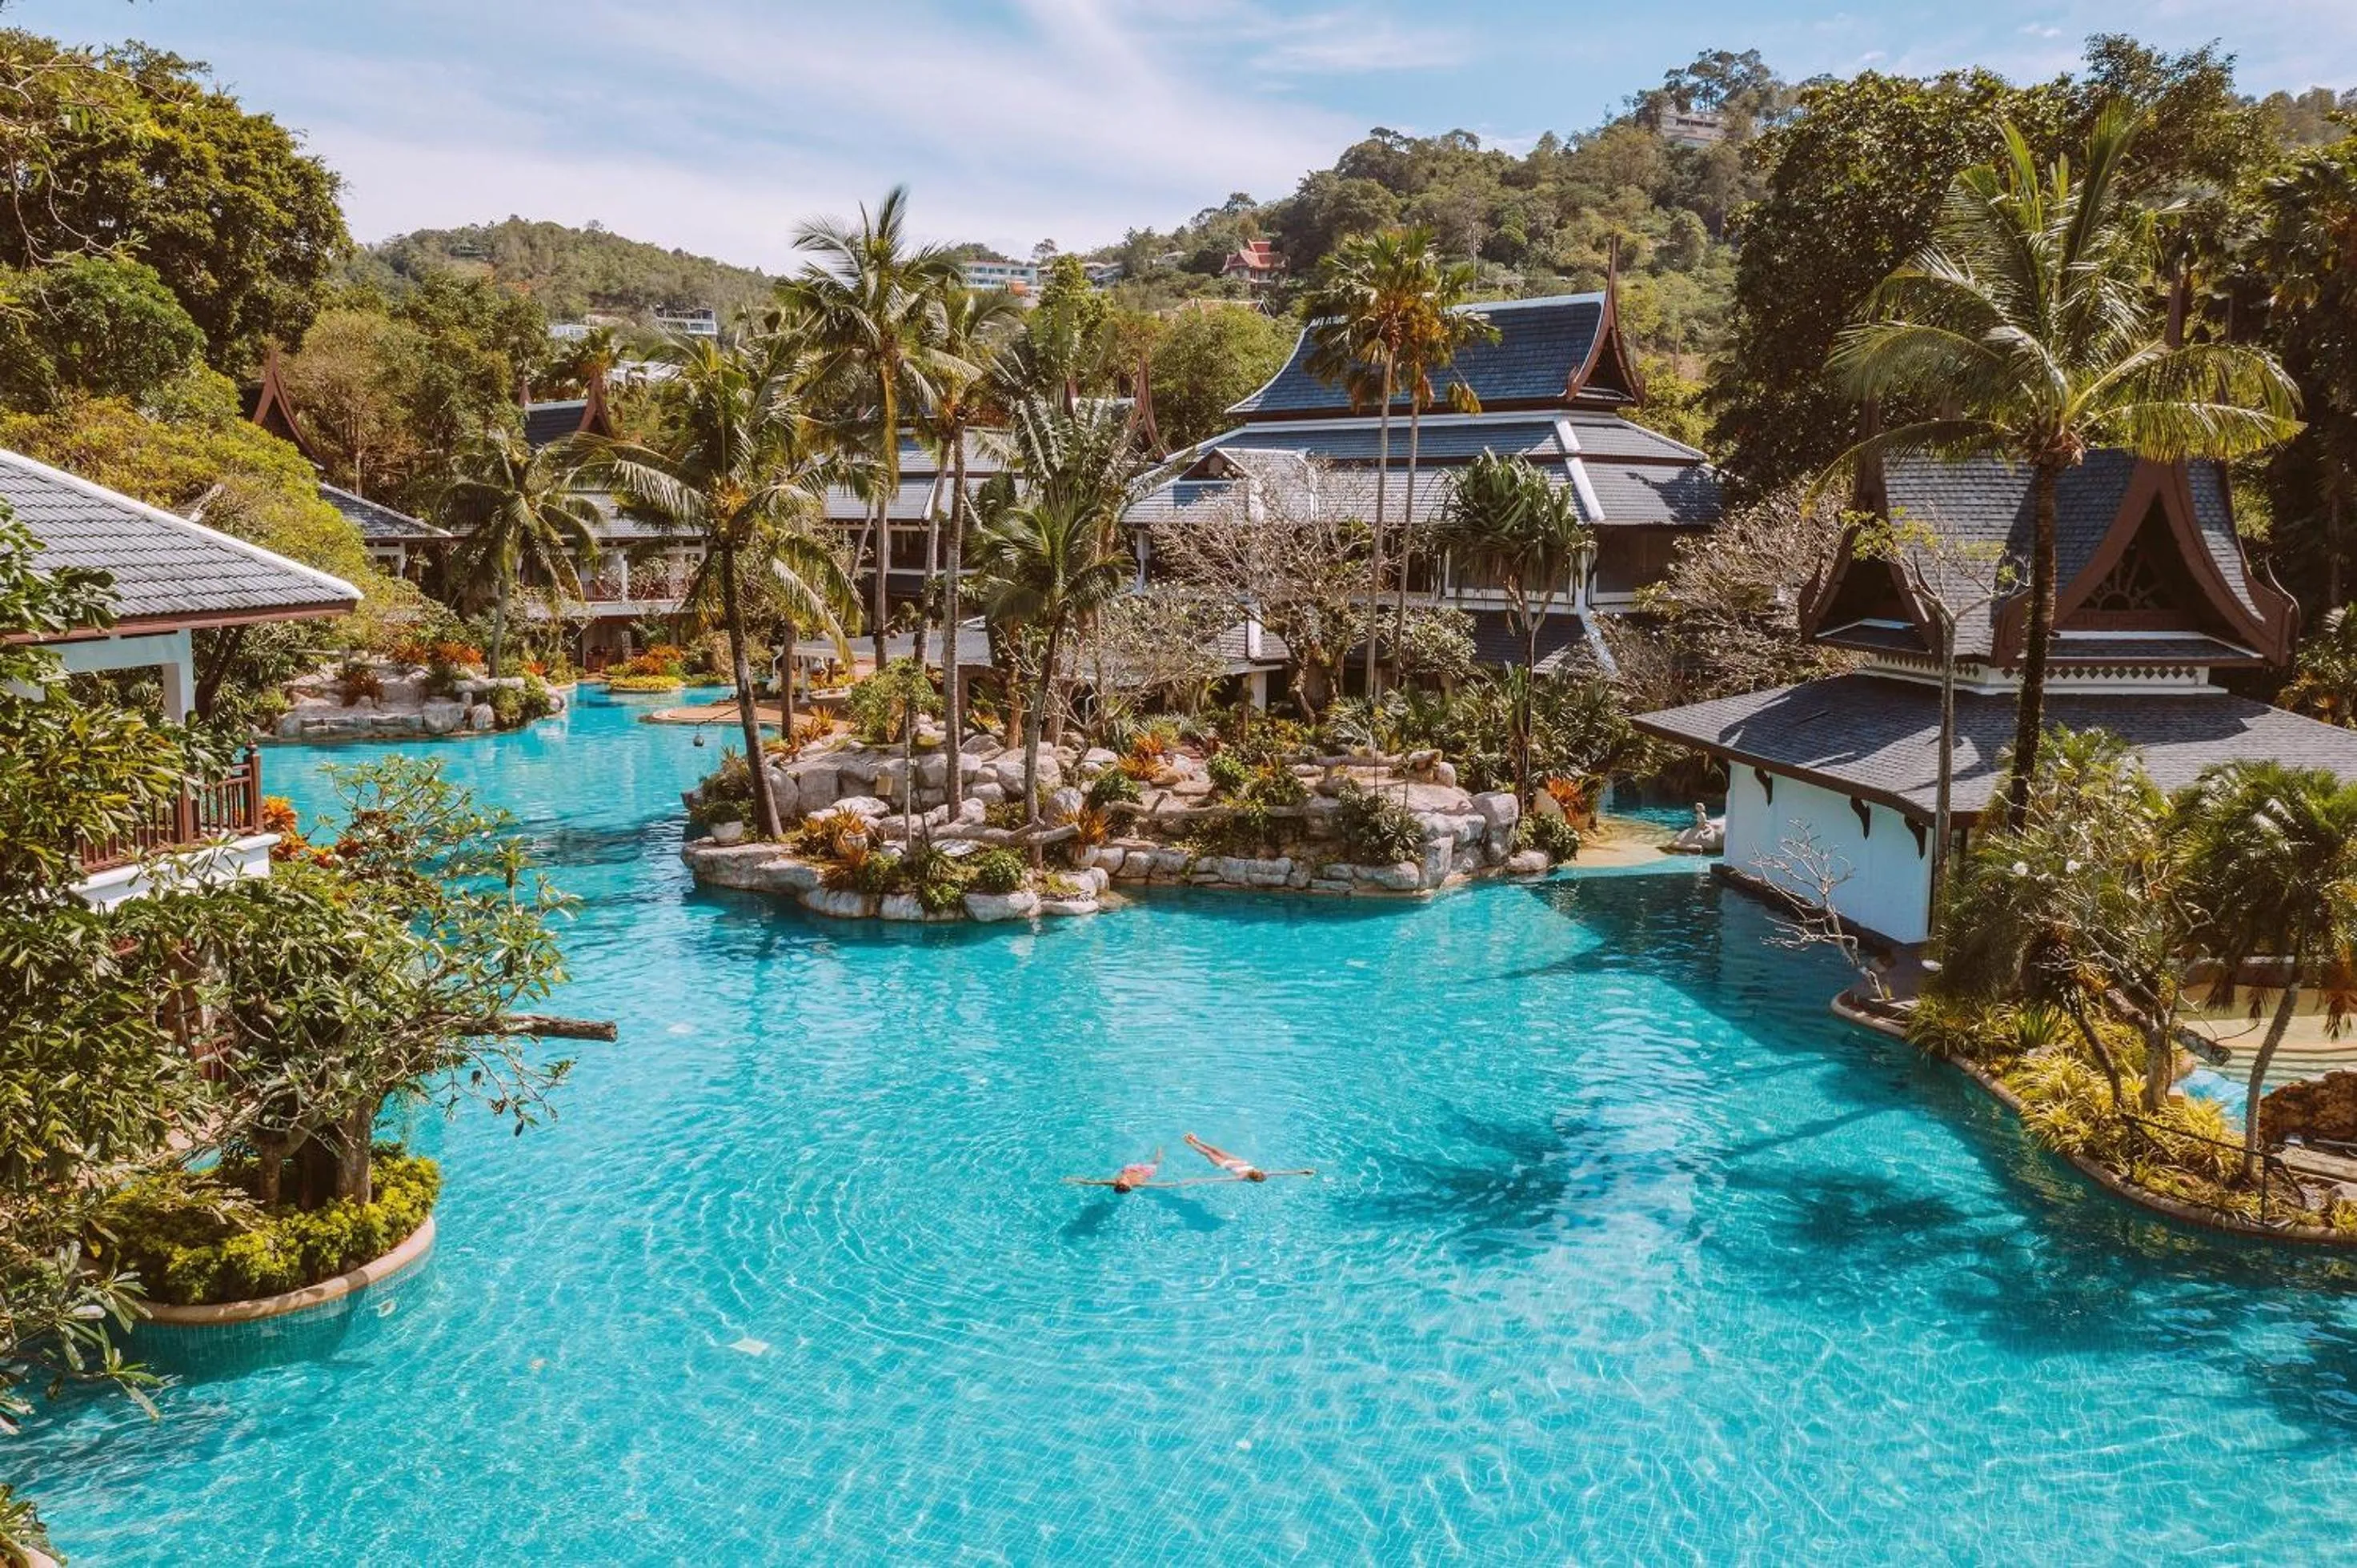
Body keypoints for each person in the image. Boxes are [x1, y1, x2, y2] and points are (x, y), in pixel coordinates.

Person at [1185, 1133, 1265, 1182]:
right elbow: (1276, 1172)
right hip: (1237, 1161)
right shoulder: (1262, 1174)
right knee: (1215, 1150)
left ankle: (1190, 1143)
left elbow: (1218, 1180)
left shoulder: (1242, 1177)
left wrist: (1192, 1181)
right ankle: (1196, 1140)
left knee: (1208, 1153)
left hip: (1225, 1164)